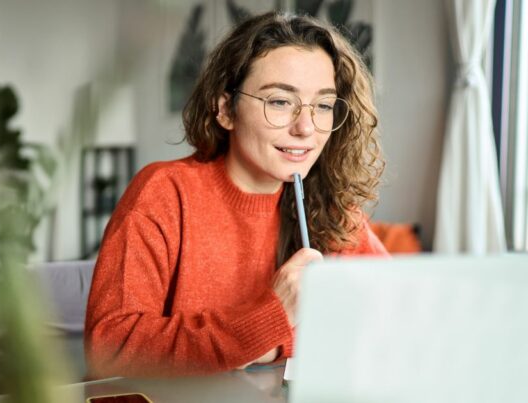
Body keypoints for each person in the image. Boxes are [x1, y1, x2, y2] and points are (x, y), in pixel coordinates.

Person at [84, 11, 388, 378]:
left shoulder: (330, 206)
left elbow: (393, 315)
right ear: (226, 109)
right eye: (279, 101)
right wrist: (271, 320)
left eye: (323, 105)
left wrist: (272, 344)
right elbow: (111, 349)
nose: (306, 127)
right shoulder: (164, 193)